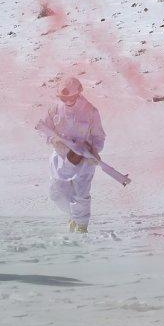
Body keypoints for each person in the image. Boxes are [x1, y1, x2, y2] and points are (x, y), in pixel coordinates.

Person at [37, 77, 106, 233]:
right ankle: (73, 216)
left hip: (84, 160)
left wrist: (94, 151)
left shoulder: (91, 111)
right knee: (56, 192)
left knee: (81, 194)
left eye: (70, 97)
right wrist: (54, 140)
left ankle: (82, 228)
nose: (67, 100)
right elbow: (43, 129)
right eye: (63, 98)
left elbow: (99, 136)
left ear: (78, 93)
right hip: (61, 158)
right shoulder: (54, 108)